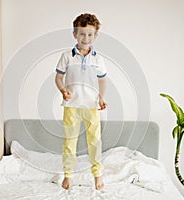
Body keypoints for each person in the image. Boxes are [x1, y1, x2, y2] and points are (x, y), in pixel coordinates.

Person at [55, 13, 107, 191]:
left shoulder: (98, 59)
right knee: (70, 141)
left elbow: (102, 80)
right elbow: (58, 78)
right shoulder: (67, 56)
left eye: (90, 34)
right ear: (75, 34)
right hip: (71, 106)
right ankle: (68, 175)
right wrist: (63, 90)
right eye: (82, 34)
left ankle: (97, 175)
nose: (86, 38)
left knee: (95, 141)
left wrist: (101, 97)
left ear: (95, 36)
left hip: (91, 106)